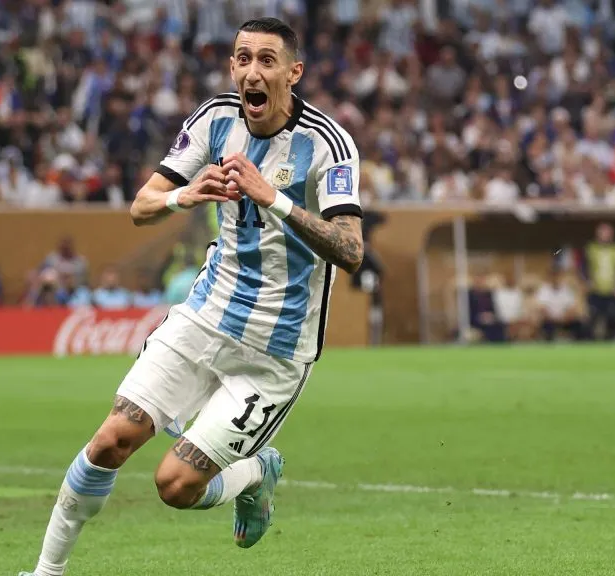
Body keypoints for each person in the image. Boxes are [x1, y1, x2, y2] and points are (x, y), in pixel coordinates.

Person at [21, 18, 364, 576]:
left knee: (175, 485)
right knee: (110, 440)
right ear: (232, 66)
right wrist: (185, 193)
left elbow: (350, 250)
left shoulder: (328, 145)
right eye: (242, 58)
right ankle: (45, 572)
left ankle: (256, 473)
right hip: (204, 318)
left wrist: (272, 198)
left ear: (294, 72)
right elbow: (141, 206)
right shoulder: (214, 119)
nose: (252, 71)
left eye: (267, 60)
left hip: (275, 352)